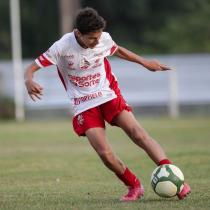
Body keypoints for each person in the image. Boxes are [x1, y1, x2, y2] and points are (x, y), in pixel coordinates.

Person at [24, 7, 191, 201]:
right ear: (78, 33)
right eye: (92, 39)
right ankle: (134, 186)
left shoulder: (103, 38)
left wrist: (144, 62)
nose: (97, 42)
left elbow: (118, 50)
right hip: (83, 104)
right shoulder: (62, 46)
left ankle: (176, 181)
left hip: (108, 94)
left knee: (138, 134)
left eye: (99, 37)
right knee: (104, 153)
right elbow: (32, 67)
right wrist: (29, 80)